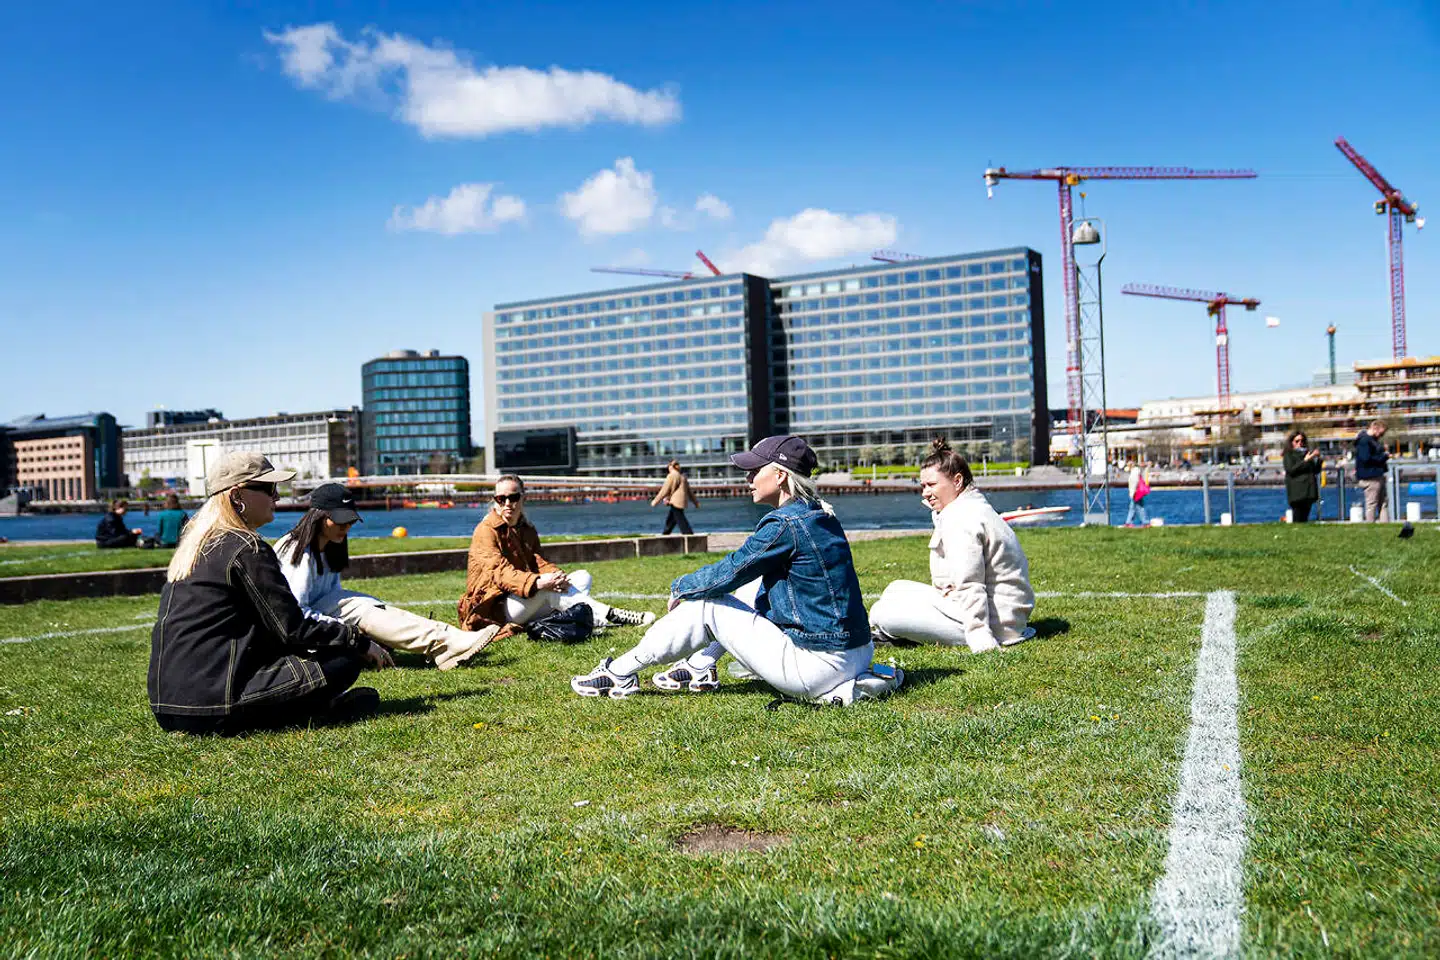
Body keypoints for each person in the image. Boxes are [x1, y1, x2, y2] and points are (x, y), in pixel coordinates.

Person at [570, 435, 903, 705]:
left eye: (755, 471)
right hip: (856, 654)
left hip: (818, 667)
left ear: (781, 476)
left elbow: (729, 571)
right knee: (751, 586)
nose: (748, 479)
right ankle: (700, 666)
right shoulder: (819, 515)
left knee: (707, 602)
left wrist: (681, 587)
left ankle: (621, 672)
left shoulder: (785, 523)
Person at [148, 452, 386, 735]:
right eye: (270, 489)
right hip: (214, 706)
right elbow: (292, 629)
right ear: (237, 495)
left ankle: (311, 709)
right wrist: (357, 640)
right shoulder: (247, 547)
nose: (277, 498)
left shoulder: (196, 546)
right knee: (344, 661)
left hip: (167, 706)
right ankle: (317, 712)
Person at [275, 483, 500, 671]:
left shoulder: (329, 546)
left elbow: (332, 599)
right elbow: (295, 614)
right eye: (340, 520)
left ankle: (445, 641)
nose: (347, 527)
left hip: (317, 626)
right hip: (298, 635)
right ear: (318, 516)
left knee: (364, 606)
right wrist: (352, 635)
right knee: (359, 607)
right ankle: (443, 643)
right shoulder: (296, 550)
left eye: (350, 520)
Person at [869, 438, 1035, 652]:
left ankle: (902, 631)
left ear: (957, 481)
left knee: (883, 615)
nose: (924, 493)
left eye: (931, 485)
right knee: (895, 589)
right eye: (922, 486)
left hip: (997, 624)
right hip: (1003, 613)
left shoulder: (961, 519)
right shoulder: (967, 508)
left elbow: (970, 583)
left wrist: (980, 636)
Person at [457, 474, 655, 639]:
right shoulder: (486, 531)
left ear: (522, 498)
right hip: (494, 608)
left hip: (521, 598)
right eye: (501, 498)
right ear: (495, 500)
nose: (507, 503)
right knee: (545, 589)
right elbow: (500, 573)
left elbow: (538, 561)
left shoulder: (526, 529)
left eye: (513, 497)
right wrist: (539, 583)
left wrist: (557, 576)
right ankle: (611, 615)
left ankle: (587, 616)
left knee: (582, 576)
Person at [1282, 429, 1323, 523]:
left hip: (1308, 490)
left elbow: (1315, 470)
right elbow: (1291, 470)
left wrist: (1318, 460)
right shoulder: (1289, 454)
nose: (1300, 443)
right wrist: (1305, 461)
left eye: (1302, 441)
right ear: (1292, 442)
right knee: (1297, 517)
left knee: (1305, 517)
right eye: (1297, 441)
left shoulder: (1307, 453)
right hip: (1297, 492)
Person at [1355, 419, 1390, 522]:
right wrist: (1383, 457)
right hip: (1370, 476)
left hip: (1376, 474)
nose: (1381, 436)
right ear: (1375, 428)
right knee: (1372, 504)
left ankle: (1385, 525)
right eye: (1381, 433)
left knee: (1382, 503)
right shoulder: (1365, 441)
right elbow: (1366, 458)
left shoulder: (1370, 440)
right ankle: (1370, 524)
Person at [651, 460, 699, 535]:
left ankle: (688, 535)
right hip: (682, 501)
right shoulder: (682, 476)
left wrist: (655, 501)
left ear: (671, 466)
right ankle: (666, 534)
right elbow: (690, 492)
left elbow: (664, 490)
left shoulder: (672, 476)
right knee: (671, 519)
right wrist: (696, 502)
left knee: (680, 519)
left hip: (675, 501)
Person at [1125, 462, 1152, 527]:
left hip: (1135, 493)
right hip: (1137, 492)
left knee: (1137, 507)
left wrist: (1133, 492)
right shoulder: (1136, 471)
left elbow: (1134, 482)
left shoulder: (1134, 472)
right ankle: (1130, 522)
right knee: (1134, 507)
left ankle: (1144, 522)